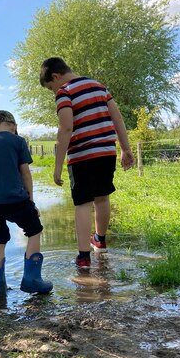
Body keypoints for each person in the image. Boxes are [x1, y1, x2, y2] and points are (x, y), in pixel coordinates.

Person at [39, 57, 135, 267]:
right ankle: (99, 241)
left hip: (82, 155)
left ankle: (83, 256)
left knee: (82, 203)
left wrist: (58, 166)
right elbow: (117, 118)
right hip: (106, 152)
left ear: (55, 77)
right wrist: (125, 149)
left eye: (50, 88)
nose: (53, 92)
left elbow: (66, 128)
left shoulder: (65, 92)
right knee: (102, 197)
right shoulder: (99, 87)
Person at [0, 110, 53, 298]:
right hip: (15, 199)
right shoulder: (18, 141)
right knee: (34, 229)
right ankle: (32, 279)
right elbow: (25, 172)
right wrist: (30, 200)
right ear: (14, 127)